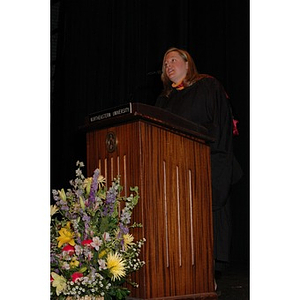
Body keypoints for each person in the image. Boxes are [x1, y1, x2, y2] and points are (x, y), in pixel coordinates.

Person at [155, 47, 243, 287]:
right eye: (164, 63)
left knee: (206, 224)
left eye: (173, 60)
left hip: (205, 167)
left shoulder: (207, 86)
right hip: (173, 172)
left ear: (187, 63)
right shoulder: (164, 100)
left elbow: (222, 127)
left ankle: (206, 276)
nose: (168, 65)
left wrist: (218, 165)